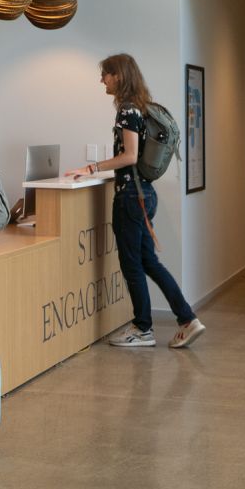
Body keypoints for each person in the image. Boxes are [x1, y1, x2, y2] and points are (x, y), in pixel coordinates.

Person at [66, 54, 205, 350]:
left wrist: (90, 168)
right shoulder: (139, 107)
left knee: (133, 265)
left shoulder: (128, 110)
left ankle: (143, 328)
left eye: (106, 74)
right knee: (149, 262)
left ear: (119, 76)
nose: (102, 79)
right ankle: (186, 318)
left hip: (131, 197)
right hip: (142, 194)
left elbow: (129, 156)